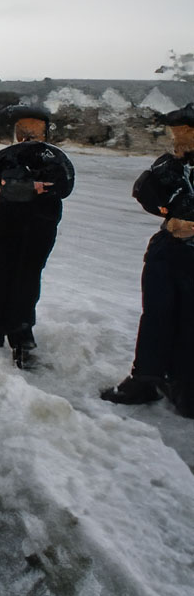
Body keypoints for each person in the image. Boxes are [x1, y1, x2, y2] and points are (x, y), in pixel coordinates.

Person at [101, 103, 194, 417]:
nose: (177, 139)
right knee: (157, 315)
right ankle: (147, 378)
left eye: (184, 132)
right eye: (175, 133)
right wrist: (168, 220)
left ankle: (186, 386)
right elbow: (146, 191)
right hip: (168, 251)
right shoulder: (172, 163)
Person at [0, 106, 75, 368]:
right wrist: (36, 188)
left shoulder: (6, 155)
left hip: (7, 219)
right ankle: (22, 334)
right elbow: (65, 187)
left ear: (20, 130)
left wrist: (16, 187)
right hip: (42, 222)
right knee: (28, 274)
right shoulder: (58, 158)